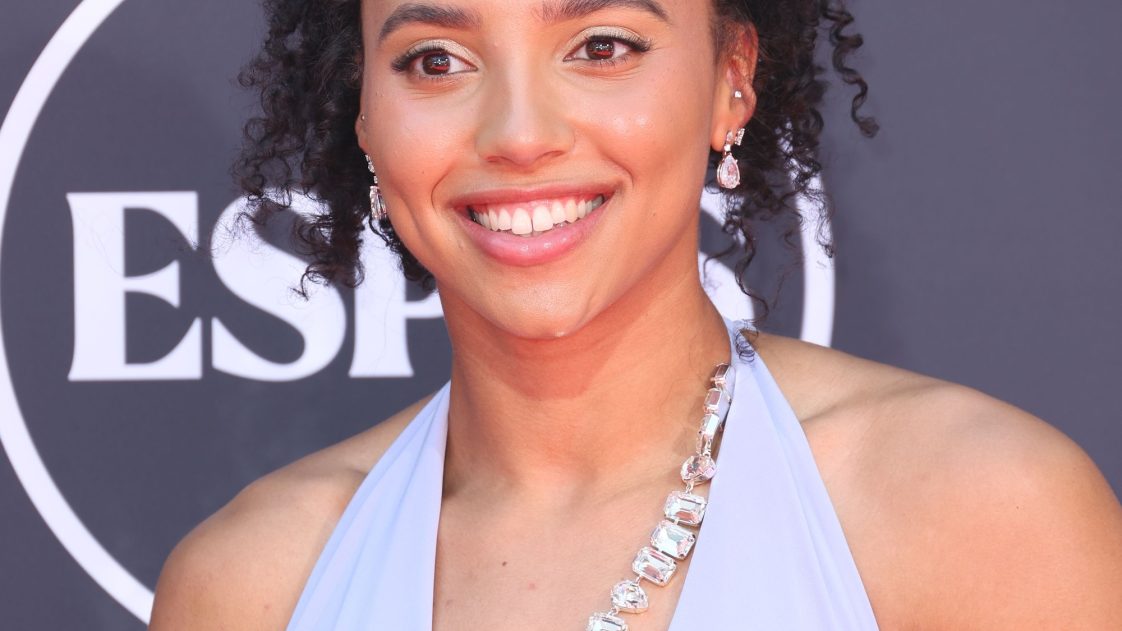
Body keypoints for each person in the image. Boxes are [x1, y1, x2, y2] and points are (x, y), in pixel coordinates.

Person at [149, 0, 1122, 628]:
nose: (519, 134)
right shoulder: (251, 587)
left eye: (602, 47)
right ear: (364, 113)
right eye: (436, 60)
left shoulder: (981, 513)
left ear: (731, 78)